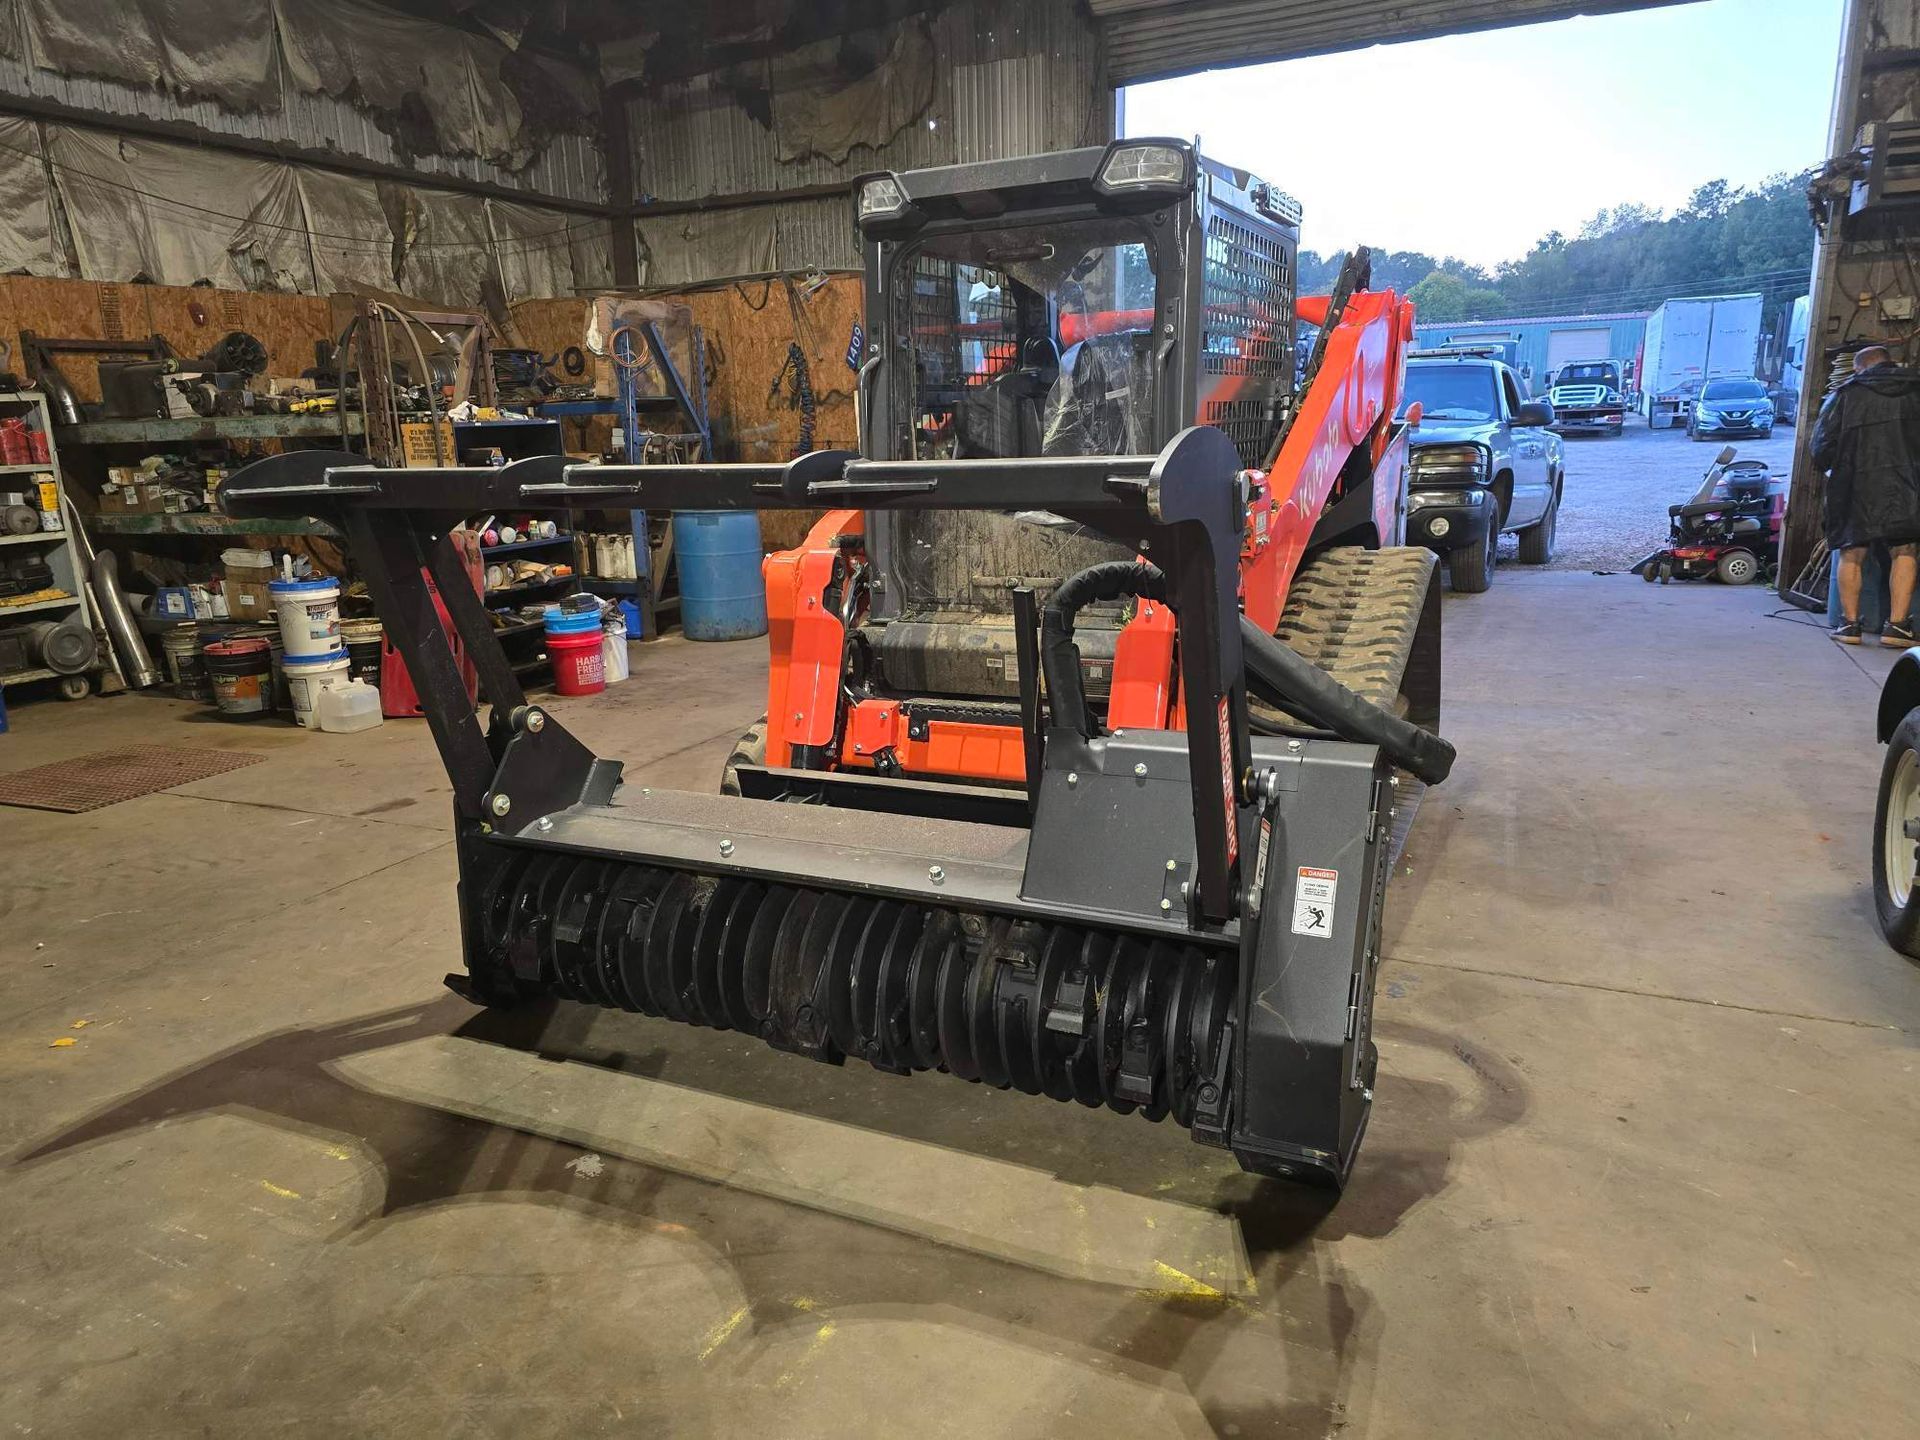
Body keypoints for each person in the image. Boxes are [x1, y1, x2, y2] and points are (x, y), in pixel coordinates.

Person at [1815, 344, 1920, 644]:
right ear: (1891, 363)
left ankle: (1849, 625)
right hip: (1908, 485)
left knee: (1852, 551)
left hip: (1854, 484)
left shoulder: (1846, 394)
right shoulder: (1916, 390)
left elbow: (1821, 446)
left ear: (1859, 368)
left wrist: (1836, 470)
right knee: (1905, 551)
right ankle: (1898, 626)